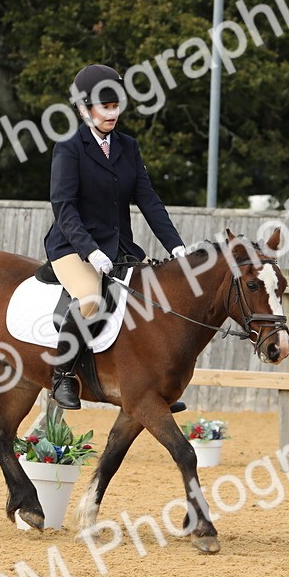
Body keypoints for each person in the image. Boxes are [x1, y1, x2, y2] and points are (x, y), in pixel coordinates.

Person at [44, 63, 188, 409]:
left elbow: (149, 201)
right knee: (92, 300)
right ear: (83, 108)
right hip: (72, 246)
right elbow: (64, 207)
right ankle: (62, 376)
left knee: (152, 300)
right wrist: (90, 251)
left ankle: (147, 386)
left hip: (121, 247)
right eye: (105, 107)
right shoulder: (69, 148)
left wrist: (177, 246)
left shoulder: (128, 147)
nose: (113, 113)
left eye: (116, 106)